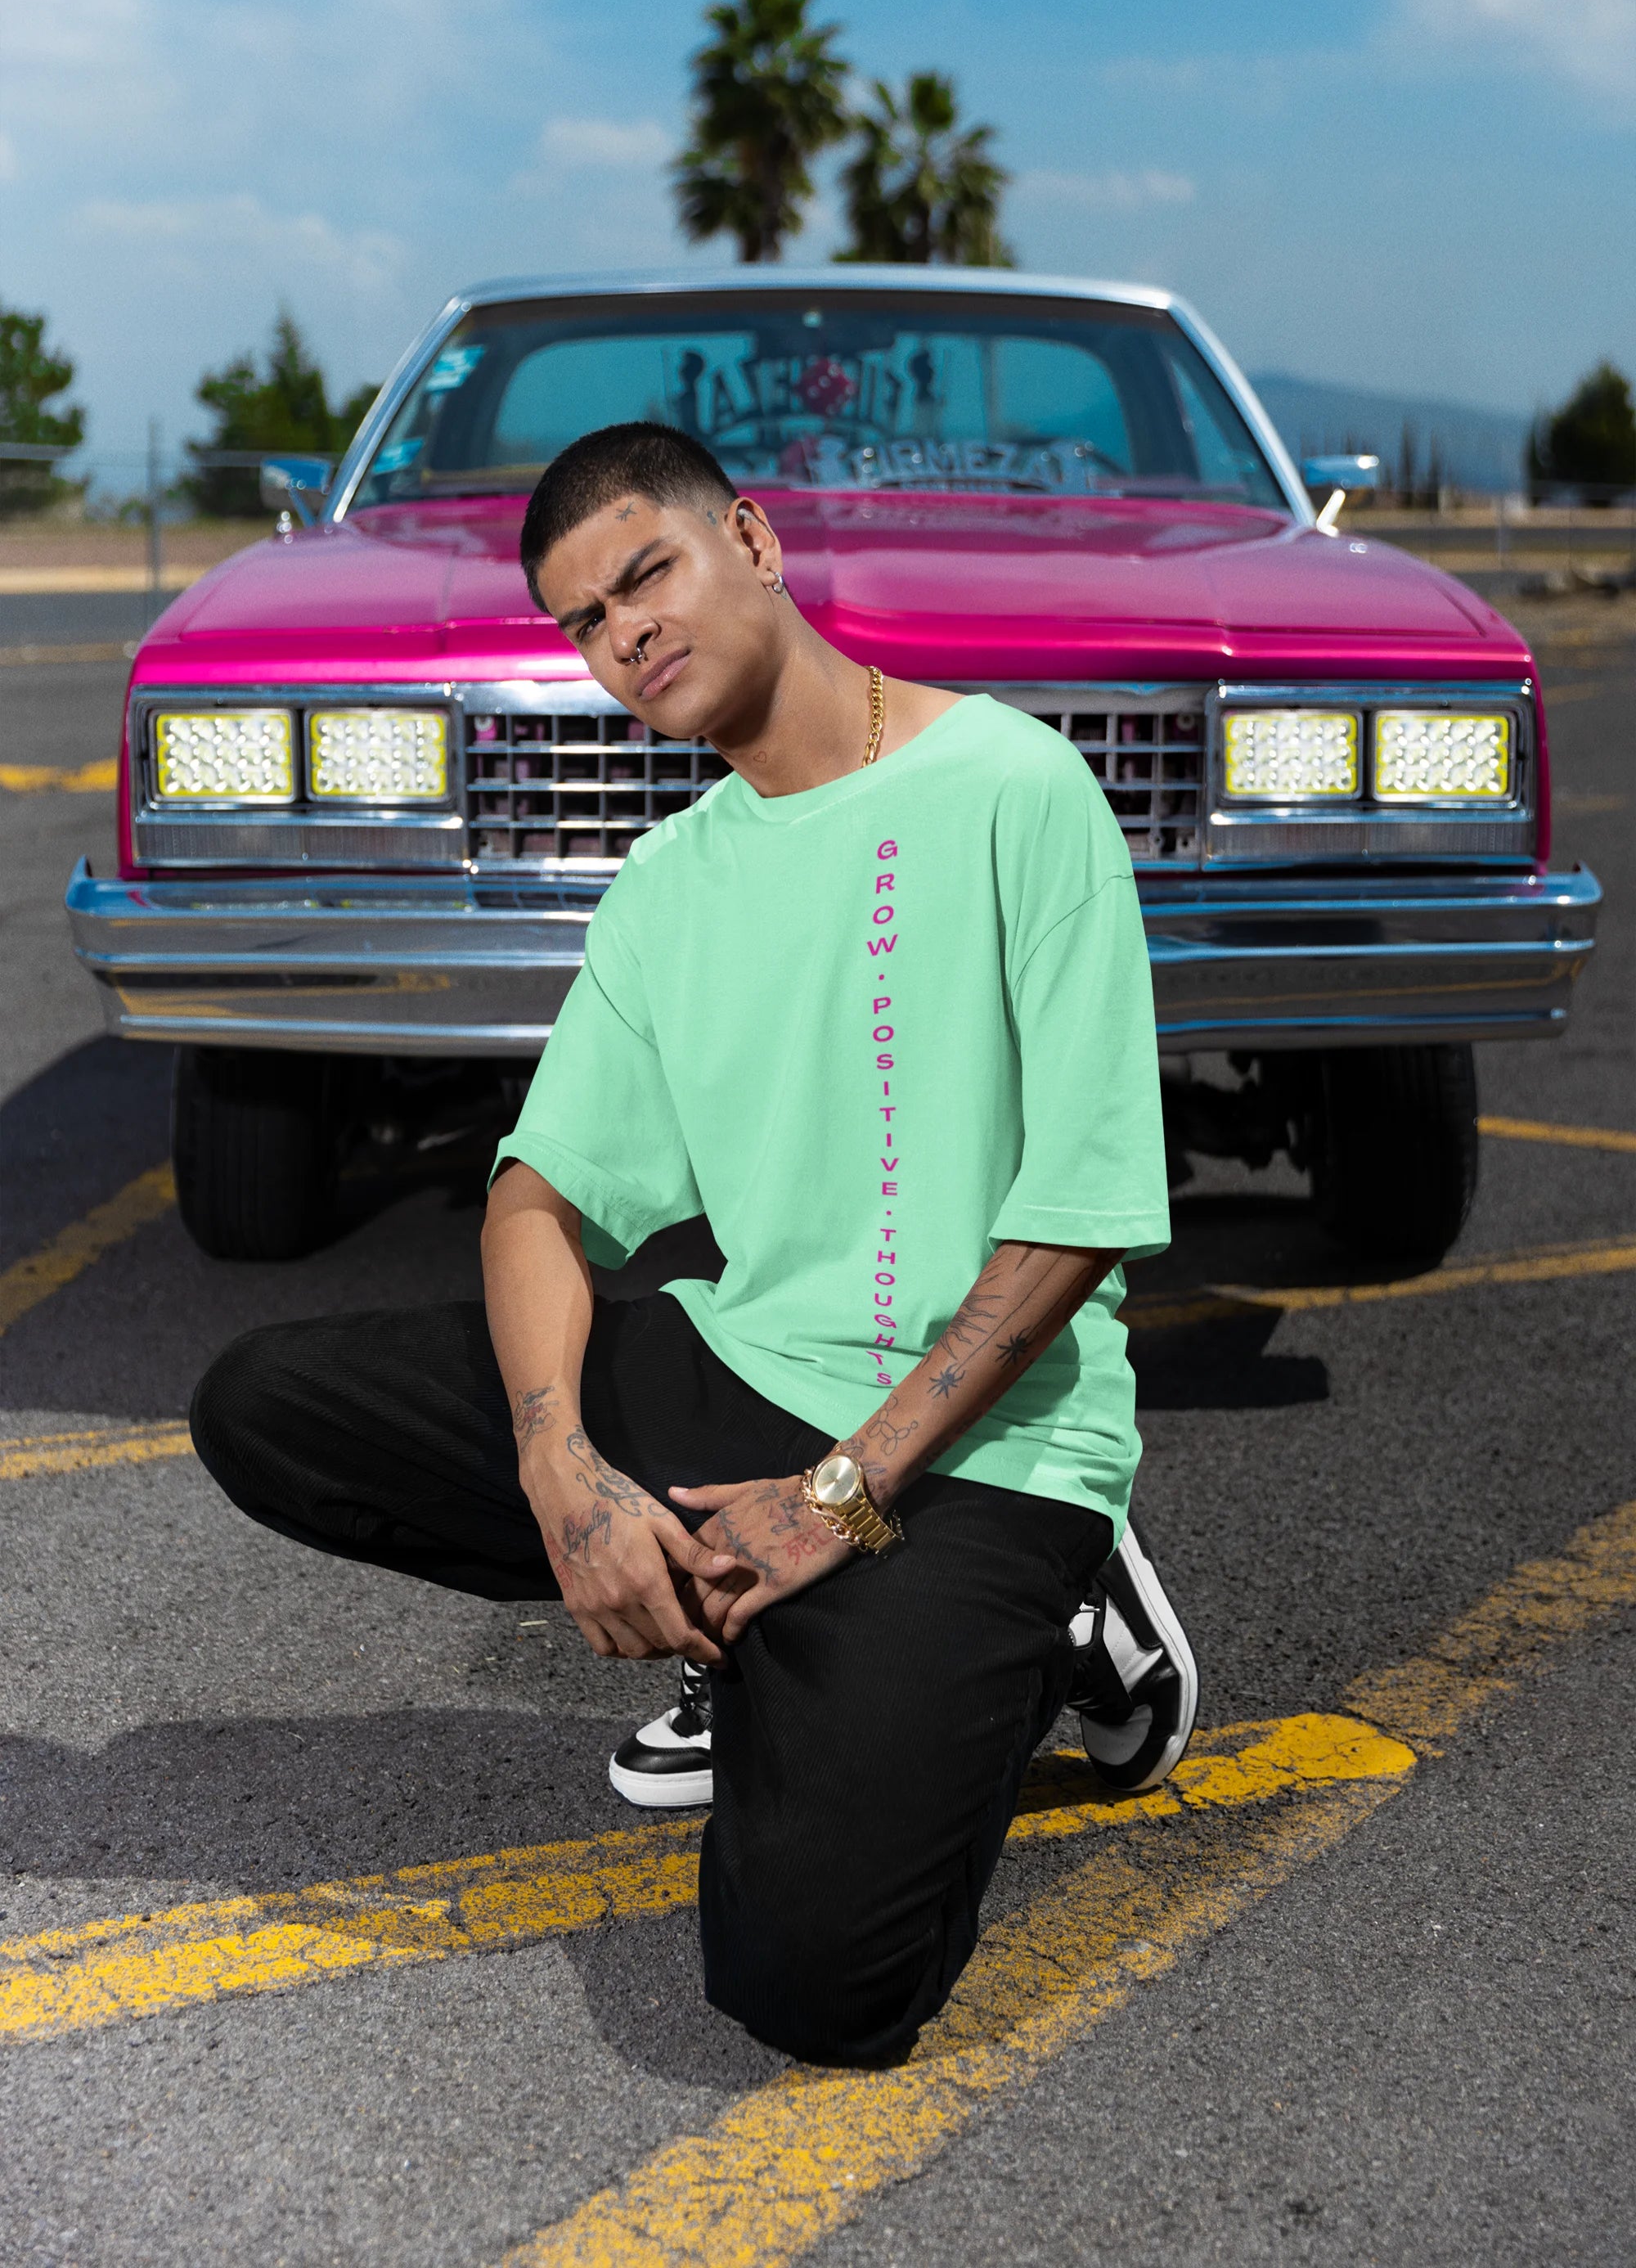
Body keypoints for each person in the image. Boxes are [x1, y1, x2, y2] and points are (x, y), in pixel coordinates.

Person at [191, 421, 1197, 2068]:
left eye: (645, 573)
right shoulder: (668, 883)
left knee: (818, 1995)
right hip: (744, 1375)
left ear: (753, 540)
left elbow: (1080, 1212)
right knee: (262, 1402)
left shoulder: (1015, 787)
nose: (626, 636)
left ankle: (1058, 1625)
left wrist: (844, 1496)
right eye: (584, 621)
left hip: (985, 1454)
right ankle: (749, 1627)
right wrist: (562, 1477)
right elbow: (535, 1198)